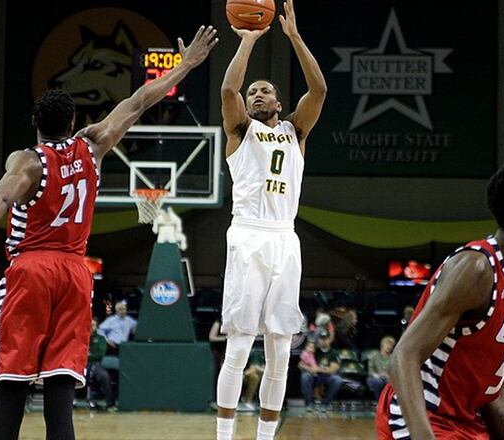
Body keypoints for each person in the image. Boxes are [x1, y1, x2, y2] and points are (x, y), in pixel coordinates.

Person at [0, 26, 217, 440]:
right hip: (75, 274)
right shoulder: (93, 145)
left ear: (35, 121)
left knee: (12, 386)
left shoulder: (27, 161)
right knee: (60, 397)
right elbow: (141, 99)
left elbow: (0, 198)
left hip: (32, 270)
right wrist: (185, 66)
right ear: (73, 121)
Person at [377, 162, 504, 439]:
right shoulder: (477, 268)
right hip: (420, 417)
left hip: (465, 424)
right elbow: (403, 356)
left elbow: (495, 388)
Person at [215, 0, 326, 439]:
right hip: (247, 235)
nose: (256, 94)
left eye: (264, 90)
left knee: (280, 347)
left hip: (285, 238)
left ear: (279, 101)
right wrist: (246, 43)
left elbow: (318, 92)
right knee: (240, 343)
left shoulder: (295, 131)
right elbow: (228, 92)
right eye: (252, 92)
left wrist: (295, 39)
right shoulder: (240, 130)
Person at [298, 330, 342, 412]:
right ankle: (309, 404)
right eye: (322, 339)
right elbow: (300, 364)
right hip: (315, 376)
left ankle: (325, 404)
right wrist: (306, 368)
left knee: (337, 380)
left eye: (326, 338)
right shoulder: (314, 351)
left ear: (330, 339)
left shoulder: (334, 353)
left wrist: (318, 369)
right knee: (305, 376)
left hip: (327, 376)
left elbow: (333, 370)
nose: (324, 341)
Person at [86, 317, 113, 409]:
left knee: (104, 375)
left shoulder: (101, 339)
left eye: (93, 325)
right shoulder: (81, 337)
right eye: (89, 324)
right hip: (81, 365)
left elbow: (100, 355)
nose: (91, 327)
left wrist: (88, 355)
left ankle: (110, 403)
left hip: (96, 364)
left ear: (96, 327)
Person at [366, 336, 395, 402]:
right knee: (379, 382)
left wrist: (389, 375)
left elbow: (394, 371)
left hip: (388, 378)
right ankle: (378, 402)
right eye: (387, 344)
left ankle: (389, 403)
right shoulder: (374, 356)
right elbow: (370, 371)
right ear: (382, 345)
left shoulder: (392, 357)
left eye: (391, 345)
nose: (389, 347)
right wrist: (378, 375)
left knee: (391, 382)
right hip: (374, 377)